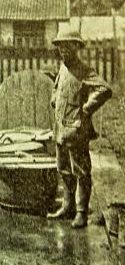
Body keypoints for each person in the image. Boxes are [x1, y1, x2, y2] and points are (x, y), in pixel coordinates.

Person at [46, 31, 112, 228]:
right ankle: (68, 207)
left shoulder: (84, 70)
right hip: (61, 128)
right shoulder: (63, 68)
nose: (63, 50)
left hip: (77, 130)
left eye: (68, 46)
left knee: (81, 171)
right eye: (60, 46)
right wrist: (54, 97)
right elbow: (57, 87)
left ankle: (82, 212)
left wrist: (87, 107)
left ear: (76, 47)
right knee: (63, 169)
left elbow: (104, 89)